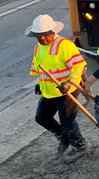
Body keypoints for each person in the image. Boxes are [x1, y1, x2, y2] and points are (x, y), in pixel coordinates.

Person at [27, 14, 87, 158]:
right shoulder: (38, 47)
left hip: (67, 92)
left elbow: (79, 66)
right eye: (39, 35)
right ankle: (64, 138)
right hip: (49, 91)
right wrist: (38, 82)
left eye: (45, 35)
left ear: (52, 32)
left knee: (67, 120)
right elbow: (41, 67)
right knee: (41, 117)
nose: (42, 38)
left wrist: (68, 82)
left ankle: (79, 145)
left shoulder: (64, 45)